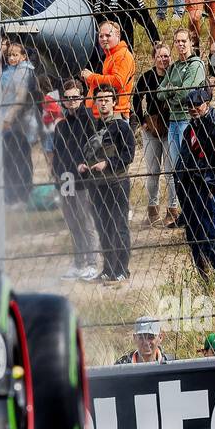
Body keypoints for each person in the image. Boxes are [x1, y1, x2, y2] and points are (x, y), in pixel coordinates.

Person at [77, 83, 135, 282]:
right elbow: (85, 151)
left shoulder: (122, 126)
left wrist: (108, 163)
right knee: (103, 226)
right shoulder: (94, 125)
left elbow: (129, 155)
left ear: (114, 102)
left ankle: (121, 269)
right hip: (97, 184)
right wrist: (83, 165)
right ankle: (108, 268)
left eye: (106, 100)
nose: (103, 103)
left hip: (117, 182)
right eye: (99, 99)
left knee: (119, 225)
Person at [175, 86, 215, 286]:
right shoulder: (191, 128)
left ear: (206, 104)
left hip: (208, 189)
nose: (193, 108)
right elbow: (182, 160)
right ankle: (204, 279)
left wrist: (205, 180)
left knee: (211, 234)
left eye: (197, 104)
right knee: (194, 236)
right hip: (190, 190)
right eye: (189, 106)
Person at [156, 29, 207, 227]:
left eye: (184, 41)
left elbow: (186, 93)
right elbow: (159, 92)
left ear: (191, 42)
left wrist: (171, 93)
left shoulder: (196, 65)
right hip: (172, 122)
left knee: (190, 166)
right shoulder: (174, 66)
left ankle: (196, 212)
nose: (181, 45)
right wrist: (172, 93)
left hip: (188, 120)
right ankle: (185, 213)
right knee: (178, 169)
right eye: (177, 41)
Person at [51, 79, 99, 278]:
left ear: (81, 97)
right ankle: (79, 262)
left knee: (85, 220)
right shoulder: (61, 126)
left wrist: (86, 166)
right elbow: (56, 153)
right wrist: (57, 176)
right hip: (65, 179)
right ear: (63, 100)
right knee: (72, 221)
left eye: (75, 98)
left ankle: (92, 263)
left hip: (83, 179)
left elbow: (93, 147)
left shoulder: (88, 119)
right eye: (68, 98)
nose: (71, 101)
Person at [134, 42, 175, 227]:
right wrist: (141, 119)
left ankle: (173, 210)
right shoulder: (148, 77)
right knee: (152, 171)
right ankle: (152, 210)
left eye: (166, 56)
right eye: (159, 56)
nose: (163, 59)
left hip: (171, 127)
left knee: (170, 171)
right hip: (151, 127)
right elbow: (136, 96)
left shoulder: (174, 73)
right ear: (154, 58)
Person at [0, 42, 38, 206]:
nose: (12, 58)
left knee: (17, 159)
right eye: (9, 55)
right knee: (13, 159)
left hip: (18, 124)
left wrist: (7, 118)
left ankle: (19, 197)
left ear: (23, 56)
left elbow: (20, 98)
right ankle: (14, 196)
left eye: (15, 54)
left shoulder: (23, 71)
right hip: (16, 123)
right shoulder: (15, 71)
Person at [80, 20, 136, 118]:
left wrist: (92, 77)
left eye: (108, 35)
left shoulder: (122, 55)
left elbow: (118, 81)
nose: (104, 39)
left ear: (118, 36)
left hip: (114, 114)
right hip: (103, 114)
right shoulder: (111, 54)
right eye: (101, 36)